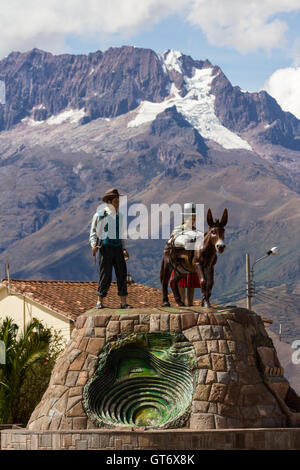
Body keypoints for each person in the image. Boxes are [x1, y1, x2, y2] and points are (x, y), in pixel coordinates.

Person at [89, 188, 132, 309]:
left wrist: (124, 249)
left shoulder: (120, 216)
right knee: (105, 274)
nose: (118, 204)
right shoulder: (100, 215)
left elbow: (122, 234)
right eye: (116, 201)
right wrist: (93, 245)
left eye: (119, 201)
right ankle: (100, 300)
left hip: (117, 248)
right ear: (109, 201)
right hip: (105, 248)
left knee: (121, 274)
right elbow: (93, 232)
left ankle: (123, 302)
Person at [169, 202, 201, 306]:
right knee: (181, 285)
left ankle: (190, 305)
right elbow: (172, 243)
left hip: (191, 263)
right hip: (180, 263)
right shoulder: (178, 230)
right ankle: (181, 304)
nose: (193, 220)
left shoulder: (197, 232)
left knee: (191, 287)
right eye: (191, 218)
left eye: (194, 218)